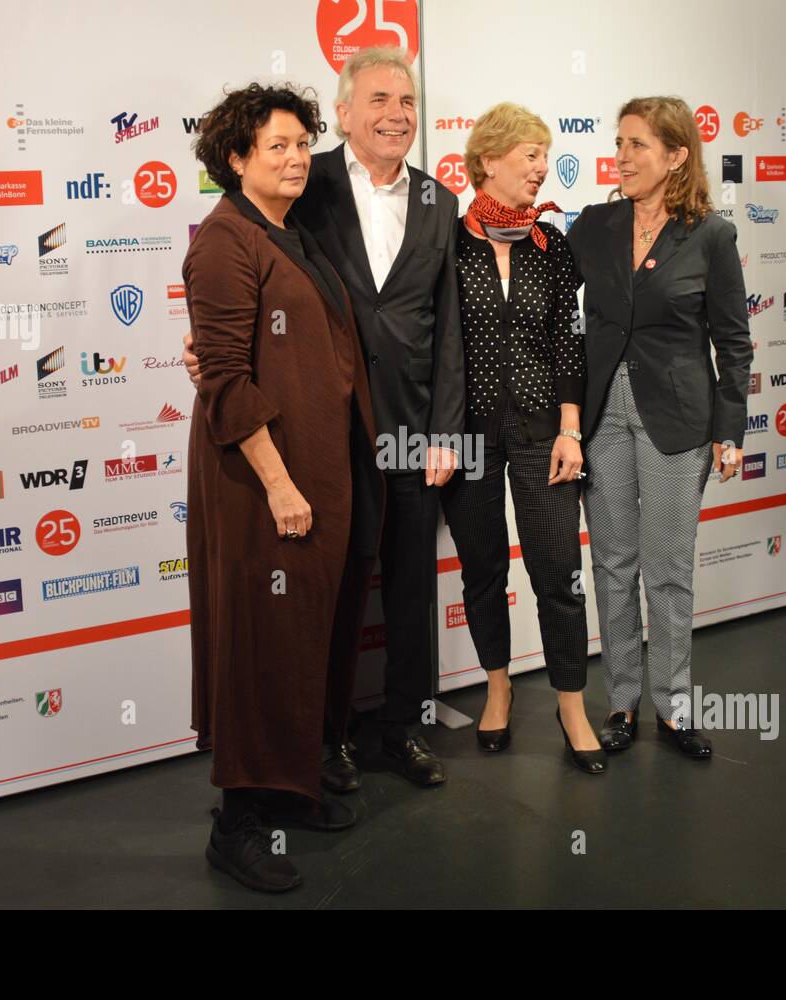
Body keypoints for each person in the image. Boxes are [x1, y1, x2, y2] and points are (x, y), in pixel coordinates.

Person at [185, 47, 463, 790]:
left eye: (406, 100)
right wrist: (208, 353)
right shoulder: (305, 186)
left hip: (407, 427)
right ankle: (324, 741)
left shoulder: (441, 201)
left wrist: (444, 427)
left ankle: (403, 728)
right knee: (328, 591)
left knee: (408, 586)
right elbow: (247, 291)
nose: (395, 114)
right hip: (324, 434)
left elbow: (449, 326)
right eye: (378, 99)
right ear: (343, 113)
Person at [185, 82, 385, 892]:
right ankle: (236, 824)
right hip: (262, 481)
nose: (297, 156)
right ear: (236, 159)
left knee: (309, 635)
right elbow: (226, 380)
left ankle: (291, 789)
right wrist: (278, 484)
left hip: (323, 471)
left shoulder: (291, 232)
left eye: (303, 143)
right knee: (260, 644)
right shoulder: (224, 240)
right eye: (277, 145)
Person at [565, 96, 753, 760]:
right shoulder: (594, 224)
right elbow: (551, 297)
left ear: (677, 156)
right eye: (619, 142)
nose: (621, 155)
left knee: (667, 569)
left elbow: (734, 342)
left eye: (637, 144)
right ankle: (621, 703)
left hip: (678, 418)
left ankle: (673, 708)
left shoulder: (712, 237)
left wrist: (732, 430)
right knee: (612, 565)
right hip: (600, 416)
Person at [440, 103, 605, 774]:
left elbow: (570, 340)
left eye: (545, 154)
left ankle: (570, 703)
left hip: (545, 435)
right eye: (530, 155)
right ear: (488, 161)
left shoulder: (551, 244)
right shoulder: (448, 242)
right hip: (471, 437)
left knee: (558, 574)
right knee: (483, 571)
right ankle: (498, 686)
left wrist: (571, 429)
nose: (543, 167)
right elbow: (434, 347)